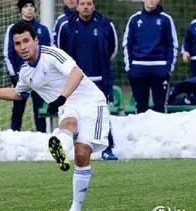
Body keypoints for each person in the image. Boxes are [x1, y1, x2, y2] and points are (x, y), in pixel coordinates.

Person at [0, 21, 110, 211]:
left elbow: (77, 73)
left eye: (26, 41)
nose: (22, 47)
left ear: (36, 40)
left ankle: (76, 205)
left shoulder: (51, 54)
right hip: (67, 106)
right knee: (69, 123)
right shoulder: (25, 72)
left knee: (82, 153)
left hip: (91, 103)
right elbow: (18, 94)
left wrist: (61, 97)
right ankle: (60, 149)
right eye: (17, 44)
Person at [59, 0, 118, 160]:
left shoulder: (105, 24)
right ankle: (75, 148)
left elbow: (112, 50)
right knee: (74, 113)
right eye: (83, 3)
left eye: (89, 3)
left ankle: (108, 148)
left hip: (99, 79)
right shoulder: (67, 26)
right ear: (77, 6)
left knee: (102, 115)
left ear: (94, 6)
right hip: (75, 81)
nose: (86, 7)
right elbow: (61, 54)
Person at [123, 0, 178, 114]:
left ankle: (161, 132)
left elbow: (172, 44)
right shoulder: (134, 19)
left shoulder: (166, 19)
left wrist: (168, 68)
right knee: (141, 107)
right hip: (138, 68)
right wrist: (130, 67)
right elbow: (127, 43)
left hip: (160, 68)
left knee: (161, 107)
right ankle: (141, 132)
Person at [3, 0, 50, 133]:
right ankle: (13, 139)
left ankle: (42, 141)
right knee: (17, 111)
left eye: (31, 6)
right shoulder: (13, 29)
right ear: (21, 10)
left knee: (40, 112)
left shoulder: (43, 29)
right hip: (21, 78)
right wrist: (13, 75)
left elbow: (49, 52)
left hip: (40, 78)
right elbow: (8, 54)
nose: (29, 9)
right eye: (26, 6)